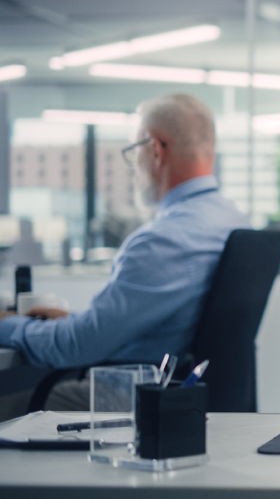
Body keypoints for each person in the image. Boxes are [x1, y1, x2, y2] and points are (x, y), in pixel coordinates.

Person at [0, 94, 248, 410]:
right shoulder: (232, 220)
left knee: (9, 405)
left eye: (134, 152)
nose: (134, 167)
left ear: (155, 151)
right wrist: (78, 321)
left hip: (140, 396)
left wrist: (7, 324)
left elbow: (76, 347)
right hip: (183, 392)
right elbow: (163, 324)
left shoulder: (163, 241)